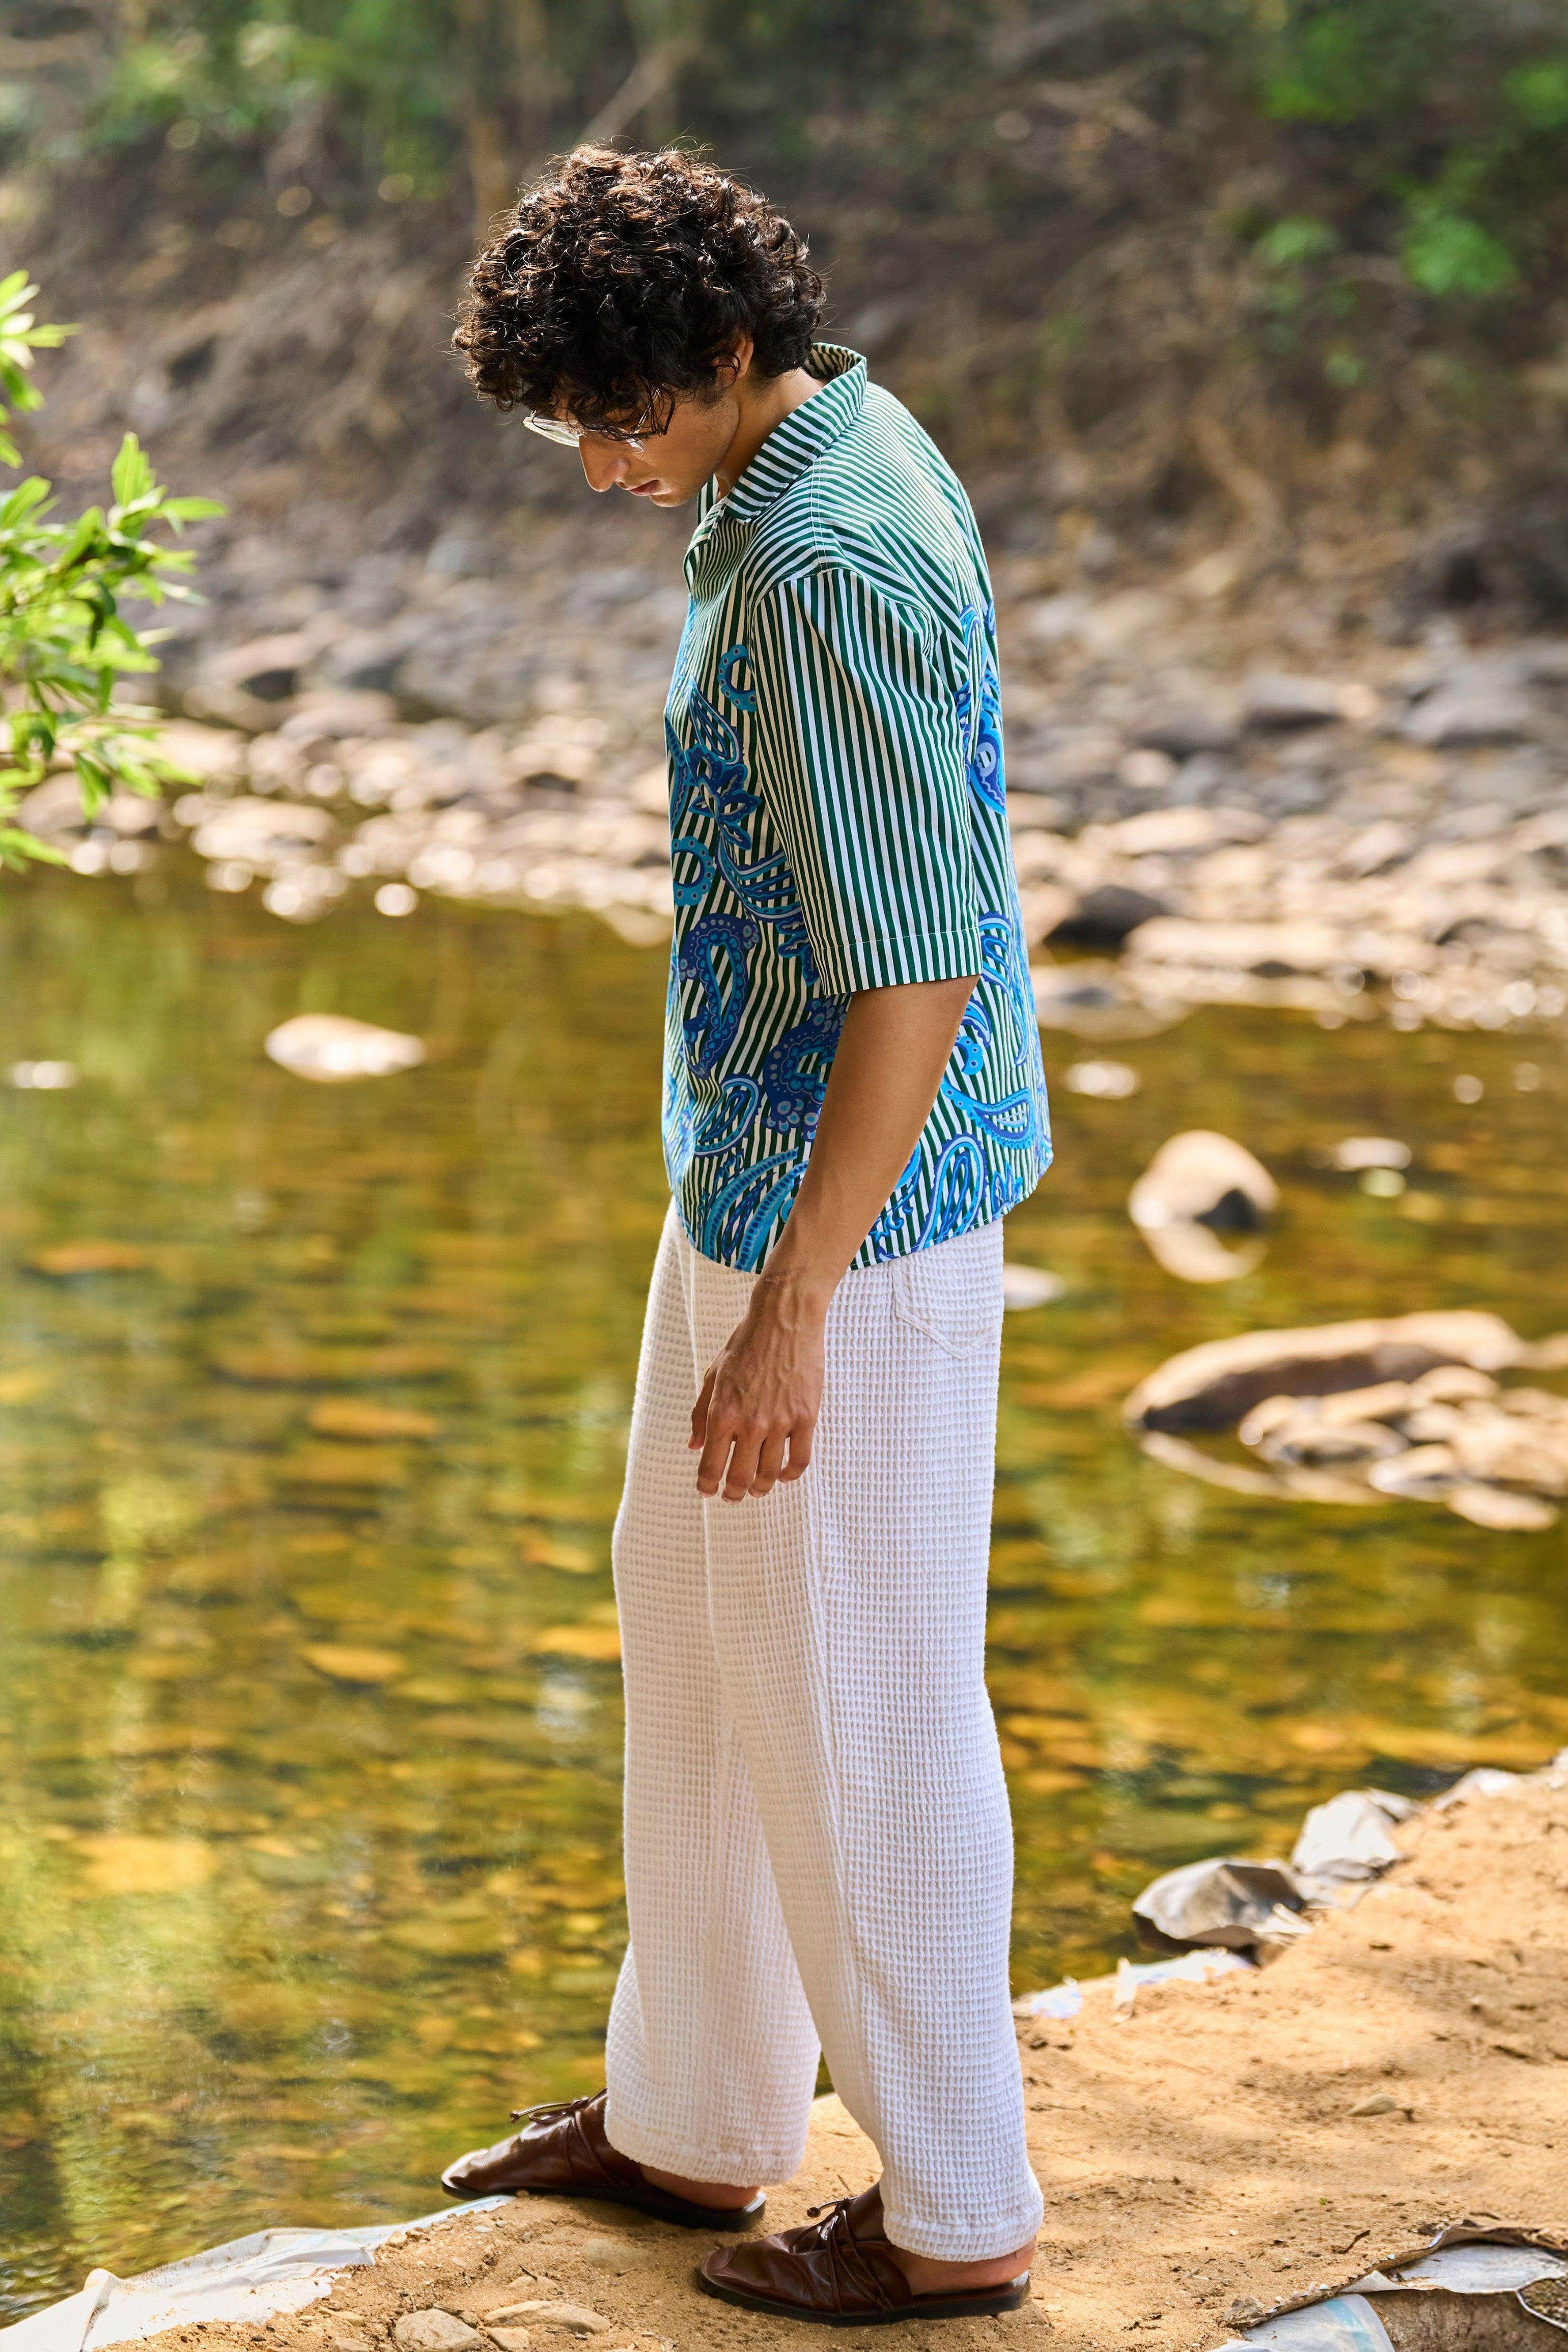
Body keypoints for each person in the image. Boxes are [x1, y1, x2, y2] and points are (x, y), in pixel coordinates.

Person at [440, 144, 1051, 2327]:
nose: (608, 469)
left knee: (860, 1694)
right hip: (755, 1169)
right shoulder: (805, 441)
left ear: (722, 350)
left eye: (626, 421)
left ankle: (954, 2209)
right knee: (698, 1626)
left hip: (852, 1226)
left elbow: (919, 970)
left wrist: (796, 1304)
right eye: (574, 433)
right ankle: (697, 2114)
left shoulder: (822, 563)